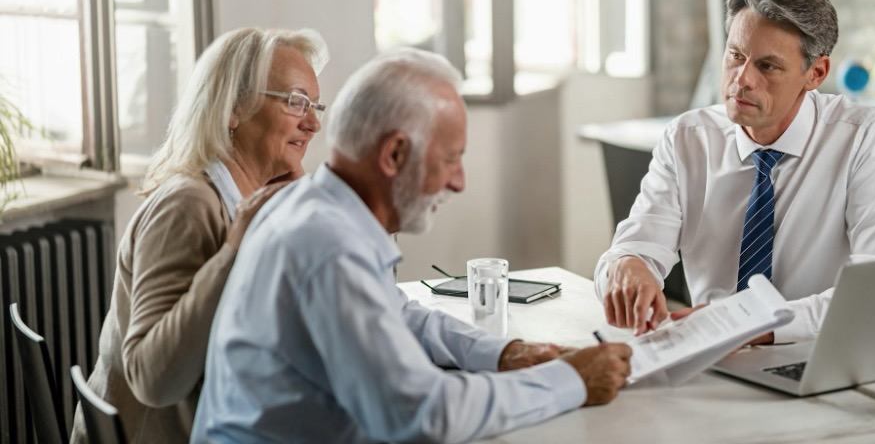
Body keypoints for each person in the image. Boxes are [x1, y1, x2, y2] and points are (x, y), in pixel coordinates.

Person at [191, 48, 633, 443]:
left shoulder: (316, 209)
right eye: (450, 159)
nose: (458, 181)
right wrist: (570, 381)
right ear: (394, 155)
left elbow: (397, 313)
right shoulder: (329, 245)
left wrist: (503, 352)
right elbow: (421, 412)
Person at [596, 0, 875, 344]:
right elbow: (633, 247)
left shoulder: (864, 137)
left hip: (818, 354)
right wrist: (628, 266)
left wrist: (756, 324)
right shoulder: (688, 138)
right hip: (712, 357)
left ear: (815, 73)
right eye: (735, 56)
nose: (742, 79)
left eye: (767, 66)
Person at [71, 27, 329, 443]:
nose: (313, 122)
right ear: (233, 109)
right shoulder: (188, 205)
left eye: (315, 105)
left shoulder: (248, 199)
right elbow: (153, 380)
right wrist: (237, 251)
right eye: (296, 102)